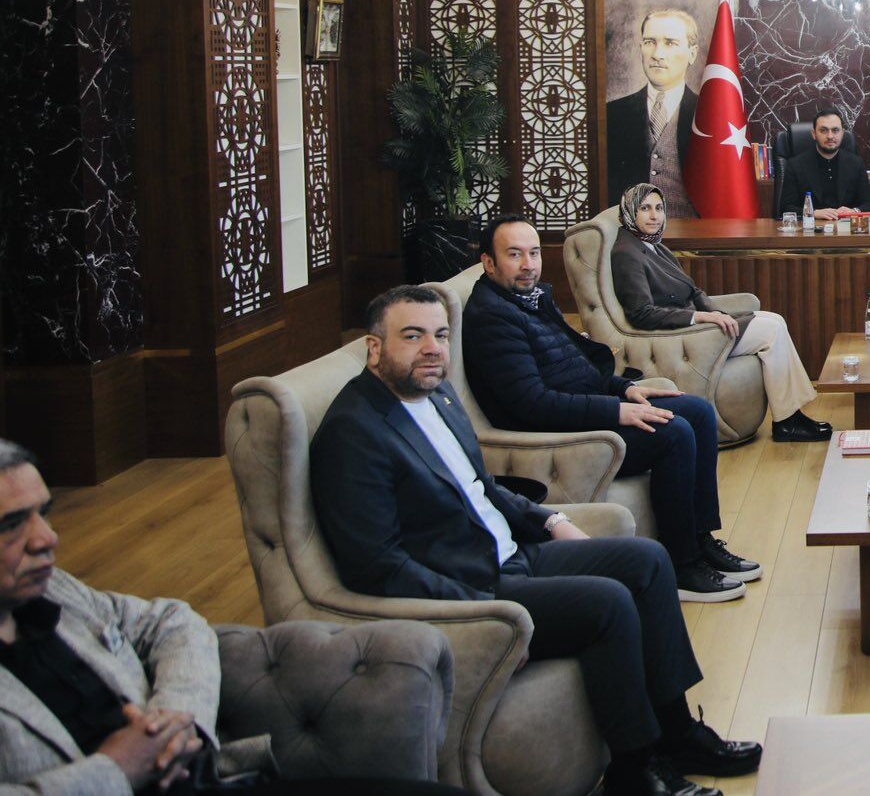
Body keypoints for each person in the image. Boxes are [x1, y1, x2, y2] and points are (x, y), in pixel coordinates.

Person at [309, 289, 760, 796]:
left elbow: (482, 486)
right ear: (375, 348)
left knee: (648, 561)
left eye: (440, 335)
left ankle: (678, 734)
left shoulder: (436, 394)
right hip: (476, 584)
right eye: (412, 336)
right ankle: (635, 770)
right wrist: (485, 614)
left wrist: (549, 520)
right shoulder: (353, 432)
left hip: (513, 553)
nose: (432, 348)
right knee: (608, 602)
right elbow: (379, 566)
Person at [0, 439, 465, 796]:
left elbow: (172, 622)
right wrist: (116, 769)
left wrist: (177, 716)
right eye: (12, 524)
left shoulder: (54, 589)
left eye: (44, 513)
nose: (47, 539)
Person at [461, 218, 759, 603]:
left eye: (533, 253)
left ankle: (701, 540)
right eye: (514, 255)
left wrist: (626, 389)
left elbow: (579, 363)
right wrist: (616, 411)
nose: (528, 265)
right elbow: (532, 403)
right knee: (673, 434)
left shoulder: (533, 298)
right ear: (488, 262)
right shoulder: (491, 316)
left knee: (698, 413)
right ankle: (682, 566)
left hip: (588, 407)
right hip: (559, 433)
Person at [612, 183, 832, 443]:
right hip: (679, 335)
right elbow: (641, 314)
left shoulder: (652, 244)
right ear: (629, 212)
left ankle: (791, 416)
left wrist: (717, 314)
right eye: (645, 208)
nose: (654, 216)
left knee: (775, 320)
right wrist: (701, 317)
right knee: (771, 330)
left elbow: (693, 291)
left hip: (695, 326)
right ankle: (787, 422)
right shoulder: (626, 253)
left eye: (659, 208)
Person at [606, 8, 700, 212]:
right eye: (650, 42)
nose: (657, 54)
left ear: (692, 54)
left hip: (692, 229)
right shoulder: (612, 114)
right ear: (641, 48)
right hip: (628, 230)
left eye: (670, 43)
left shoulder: (708, 115)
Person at [773, 109, 870, 220]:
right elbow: (786, 208)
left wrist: (854, 211)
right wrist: (813, 213)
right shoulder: (795, 165)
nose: (830, 136)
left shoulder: (856, 163)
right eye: (824, 130)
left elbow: (869, 204)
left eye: (835, 130)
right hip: (811, 228)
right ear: (814, 134)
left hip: (845, 227)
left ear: (842, 133)